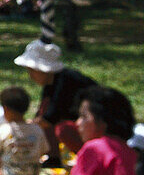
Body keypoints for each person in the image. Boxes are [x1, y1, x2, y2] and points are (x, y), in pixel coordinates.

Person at [13, 39, 97, 167]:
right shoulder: (51, 83)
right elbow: (43, 114)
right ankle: (53, 157)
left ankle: (92, 159)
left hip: (94, 127)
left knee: (63, 130)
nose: (30, 76)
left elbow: (50, 118)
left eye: (32, 71)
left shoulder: (65, 82)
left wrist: (24, 126)